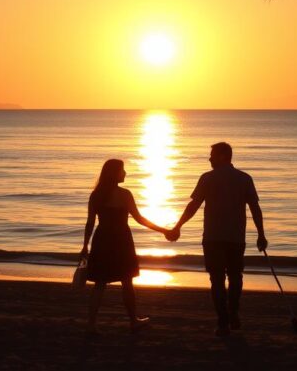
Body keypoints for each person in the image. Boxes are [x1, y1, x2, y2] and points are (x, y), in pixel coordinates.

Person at [168, 142, 266, 337]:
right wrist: (261, 234)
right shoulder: (244, 178)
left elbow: (193, 206)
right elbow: (255, 208)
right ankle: (233, 312)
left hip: (213, 237)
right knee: (236, 276)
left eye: (212, 155)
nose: (209, 158)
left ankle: (223, 322)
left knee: (217, 279)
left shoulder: (207, 178)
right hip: (235, 237)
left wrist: (177, 227)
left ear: (222, 156)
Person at [80, 159, 170, 334]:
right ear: (114, 173)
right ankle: (133, 321)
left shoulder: (96, 194)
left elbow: (90, 222)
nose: (125, 173)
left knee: (100, 284)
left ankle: (91, 324)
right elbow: (140, 219)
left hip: (102, 239)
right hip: (121, 240)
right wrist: (164, 230)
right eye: (122, 170)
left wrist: (85, 245)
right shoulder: (125, 194)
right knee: (127, 282)